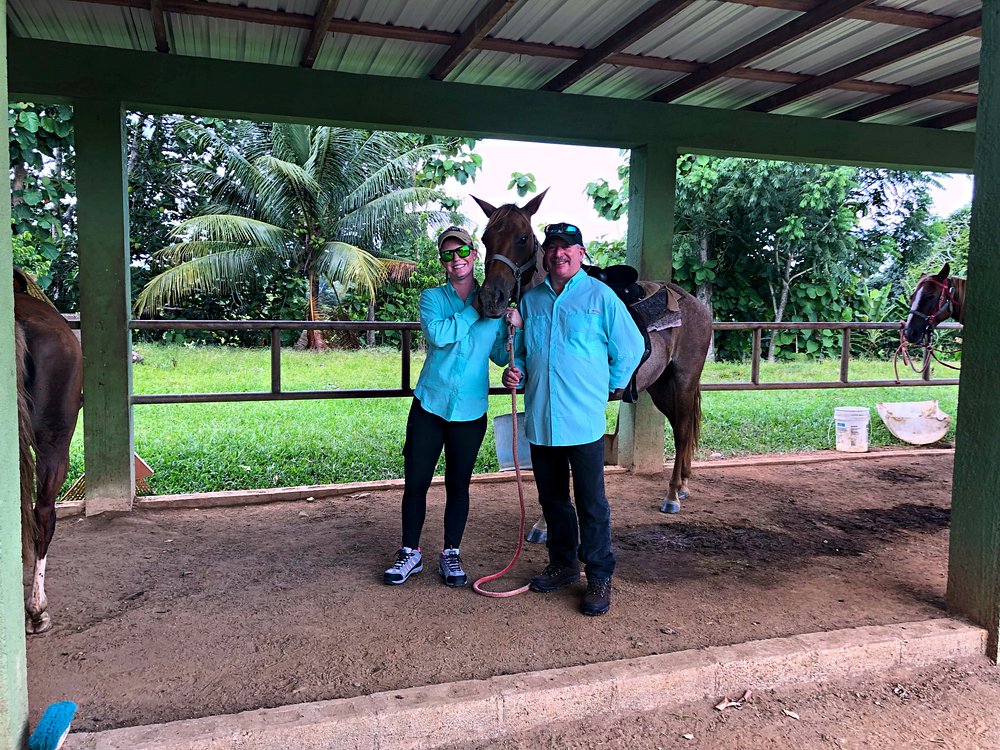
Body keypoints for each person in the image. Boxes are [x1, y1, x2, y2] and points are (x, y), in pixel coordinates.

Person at [502, 221, 644, 615]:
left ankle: (598, 574)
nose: (558, 253)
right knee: (552, 499)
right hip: (542, 419)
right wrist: (516, 371)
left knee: (591, 502)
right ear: (544, 256)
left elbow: (630, 347)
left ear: (581, 253)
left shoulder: (600, 296)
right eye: (551, 247)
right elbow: (520, 355)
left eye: (567, 247)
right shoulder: (531, 301)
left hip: (582, 421)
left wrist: (607, 387)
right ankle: (563, 564)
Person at [384, 226, 510, 587]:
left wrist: (514, 333)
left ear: (474, 254)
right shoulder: (432, 298)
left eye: (462, 251)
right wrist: (476, 309)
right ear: (442, 261)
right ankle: (410, 552)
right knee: (416, 482)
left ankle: (451, 553)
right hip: (430, 405)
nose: (456, 259)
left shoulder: (497, 303)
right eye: (447, 254)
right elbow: (439, 336)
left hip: (470, 411)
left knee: (459, 485)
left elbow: (501, 355)